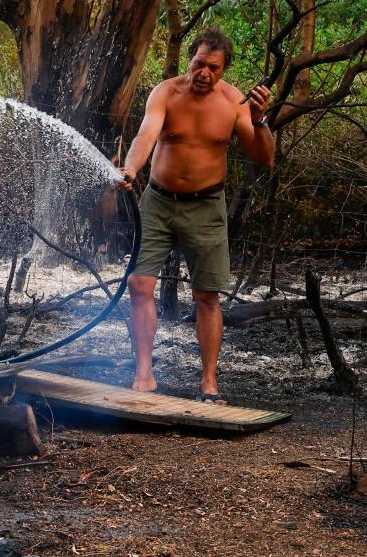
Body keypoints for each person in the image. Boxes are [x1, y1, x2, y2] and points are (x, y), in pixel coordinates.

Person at [117, 26, 274, 400]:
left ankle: (209, 382)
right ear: (190, 59)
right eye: (199, 63)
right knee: (139, 285)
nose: (204, 73)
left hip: (206, 206)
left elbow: (264, 157)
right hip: (158, 202)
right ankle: (144, 375)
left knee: (207, 295)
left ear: (224, 70)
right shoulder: (165, 92)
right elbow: (145, 135)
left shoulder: (234, 102)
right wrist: (131, 169)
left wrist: (259, 120)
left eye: (213, 68)